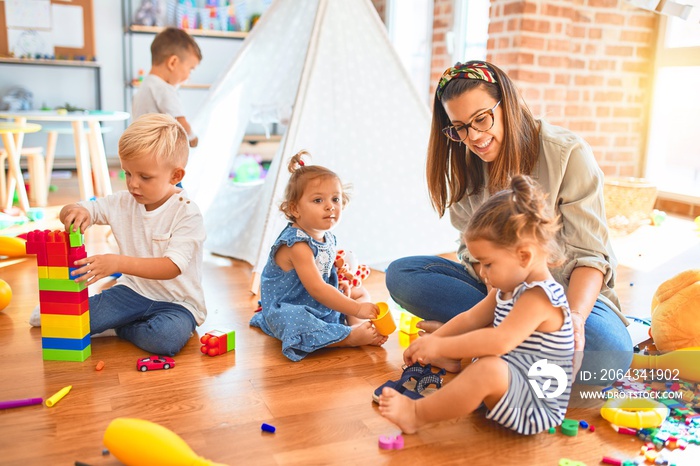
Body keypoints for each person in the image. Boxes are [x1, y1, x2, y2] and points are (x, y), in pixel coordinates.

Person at [385, 60, 632, 380]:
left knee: (608, 353)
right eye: (459, 127)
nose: (473, 137)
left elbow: (590, 257)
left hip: (565, 299)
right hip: (499, 290)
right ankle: (499, 341)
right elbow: (470, 253)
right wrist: (497, 293)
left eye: (482, 119)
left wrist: (574, 321)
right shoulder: (464, 164)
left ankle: (478, 343)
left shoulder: (566, 153)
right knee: (402, 273)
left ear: (507, 104)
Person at [379, 175, 574, 435]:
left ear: (524, 256)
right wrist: (433, 341)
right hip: (514, 384)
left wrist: (440, 345)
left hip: (534, 406)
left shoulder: (539, 297)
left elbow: (499, 341)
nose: (482, 272)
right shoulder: (508, 290)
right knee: (486, 363)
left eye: (488, 264)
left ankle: (416, 415)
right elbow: (470, 318)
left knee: (487, 367)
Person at [31, 114, 206, 356]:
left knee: (165, 340)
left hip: (178, 304)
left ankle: (121, 326)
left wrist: (116, 262)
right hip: (132, 292)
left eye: (145, 177)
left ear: (175, 176)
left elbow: (171, 268)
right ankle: (110, 319)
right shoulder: (123, 202)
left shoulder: (187, 212)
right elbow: (81, 208)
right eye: (128, 173)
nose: (133, 184)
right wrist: (74, 212)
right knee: (68, 323)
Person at [249, 151, 387, 361]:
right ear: (295, 208)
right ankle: (347, 338)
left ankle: (357, 326)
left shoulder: (327, 237)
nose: (330, 206)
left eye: (335, 199)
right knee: (295, 320)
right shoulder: (297, 245)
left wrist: (340, 271)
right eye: (318, 200)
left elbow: (325, 266)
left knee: (358, 291)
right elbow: (317, 288)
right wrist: (357, 308)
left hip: (317, 301)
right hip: (292, 305)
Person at [132, 27, 202, 148]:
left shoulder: (146, 85)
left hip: (140, 149)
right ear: (172, 63)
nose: (189, 76)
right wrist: (192, 137)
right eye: (190, 69)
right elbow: (181, 122)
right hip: (158, 153)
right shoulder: (164, 89)